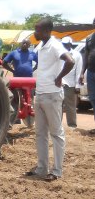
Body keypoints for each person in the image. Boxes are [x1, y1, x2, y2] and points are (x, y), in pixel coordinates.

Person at [26, 18, 74, 182]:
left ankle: (57, 170)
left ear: (47, 31)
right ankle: (41, 168)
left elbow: (70, 61)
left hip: (52, 95)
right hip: (40, 94)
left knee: (56, 134)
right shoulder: (42, 45)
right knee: (40, 133)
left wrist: (60, 78)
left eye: (37, 30)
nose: (35, 32)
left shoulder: (54, 45)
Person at [60, 37, 83, 128]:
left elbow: (78, 70)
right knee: (58, 105)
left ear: (70, 44)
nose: (64, 46)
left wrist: (78, 86)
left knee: (70, 105)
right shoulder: (59, 54)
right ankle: (57, 124)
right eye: (63, 44)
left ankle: (72, 125)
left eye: (66, 44)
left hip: (70, 83)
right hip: (59, 82)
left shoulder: (77, 55)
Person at [79, 17, 95, 134]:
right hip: (90, 72)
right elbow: (85, 56)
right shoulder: (89, 39)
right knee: (93, 99)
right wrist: (81, 73)